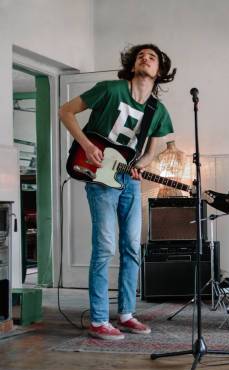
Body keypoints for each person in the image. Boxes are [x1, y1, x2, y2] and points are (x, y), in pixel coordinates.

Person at [59, 44, 176, 340]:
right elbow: (66, 111)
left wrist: (140, 165)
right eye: (141, 55)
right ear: (132, 64)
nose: (145, 58)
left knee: (131, 248)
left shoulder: (157, 110)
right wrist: (87, 146)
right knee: (105, 247)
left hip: (130, 182)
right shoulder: (110, 89)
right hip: (99, 177)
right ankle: (99, 319)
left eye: (152, 57)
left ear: (159, 71)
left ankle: (126, 314)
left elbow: (151, 153)